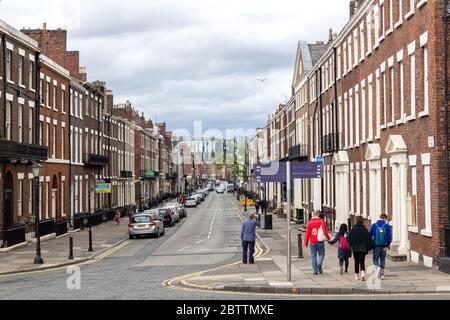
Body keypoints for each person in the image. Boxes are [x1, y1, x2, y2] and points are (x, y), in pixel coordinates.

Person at [304, 211, 331, 275]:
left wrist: (306, 242)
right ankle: (319, 264)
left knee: (313, 256)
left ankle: (315, 271)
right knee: (322, 254)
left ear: (313, 215)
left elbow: (307, 233)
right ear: (318, 214)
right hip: (320, 241)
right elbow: (325, 231)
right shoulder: (321, 221)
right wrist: (328, 238)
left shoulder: (310, 222)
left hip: (312, 242)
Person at [347, 216, 371, 281]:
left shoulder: (353, 229)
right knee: (362, 261)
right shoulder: (365, 229)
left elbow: (349, 238)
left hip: (355, 248)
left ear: (356, 221)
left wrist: (351, 245)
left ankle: (357, 275)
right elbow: (368, 239)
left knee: (356, 261)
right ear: (362, 221)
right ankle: (363, 274)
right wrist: (368, 247)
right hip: (363, 248)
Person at [370, 214, 392, 280]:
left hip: (376, 246)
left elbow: (370, 235)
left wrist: (371, 244)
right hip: (384, 246)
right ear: (385, 218)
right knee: (382, 260)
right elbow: (389, 237)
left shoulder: (374, 225)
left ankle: (377, 267)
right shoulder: (387, 226)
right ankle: (382, 274)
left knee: (375, 259)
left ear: (380, 217)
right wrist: (387, 245)